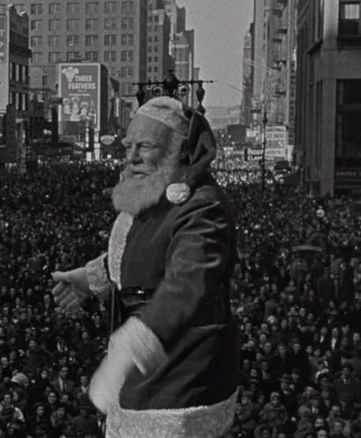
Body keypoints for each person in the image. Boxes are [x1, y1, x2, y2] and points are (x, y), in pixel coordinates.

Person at [52, 97, 240, 437]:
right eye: (129, 146)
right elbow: (141, 252)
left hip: (178, 382)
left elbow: (187, 287)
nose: (133, 157)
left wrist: (127, 353)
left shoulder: (202, 206)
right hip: (149, 380)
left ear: (178, 152)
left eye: (146, 146)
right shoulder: (157, 196)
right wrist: (93, 277)